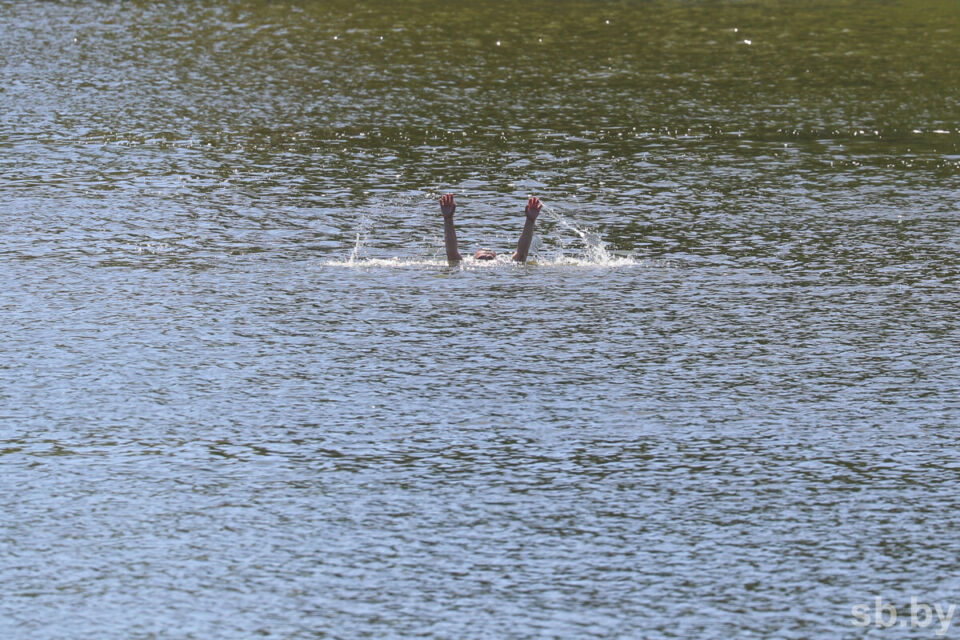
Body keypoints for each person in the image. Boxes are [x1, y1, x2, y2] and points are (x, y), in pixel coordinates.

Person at [439, 194, 543, 264]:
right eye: (482, 256)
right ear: (474, 259)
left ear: (497, 259)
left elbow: (521, 254)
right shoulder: (467, 265)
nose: (487, 251)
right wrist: (448, 219)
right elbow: (452, 253)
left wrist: (530, 221)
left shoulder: (503, 265)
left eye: (489, 256)